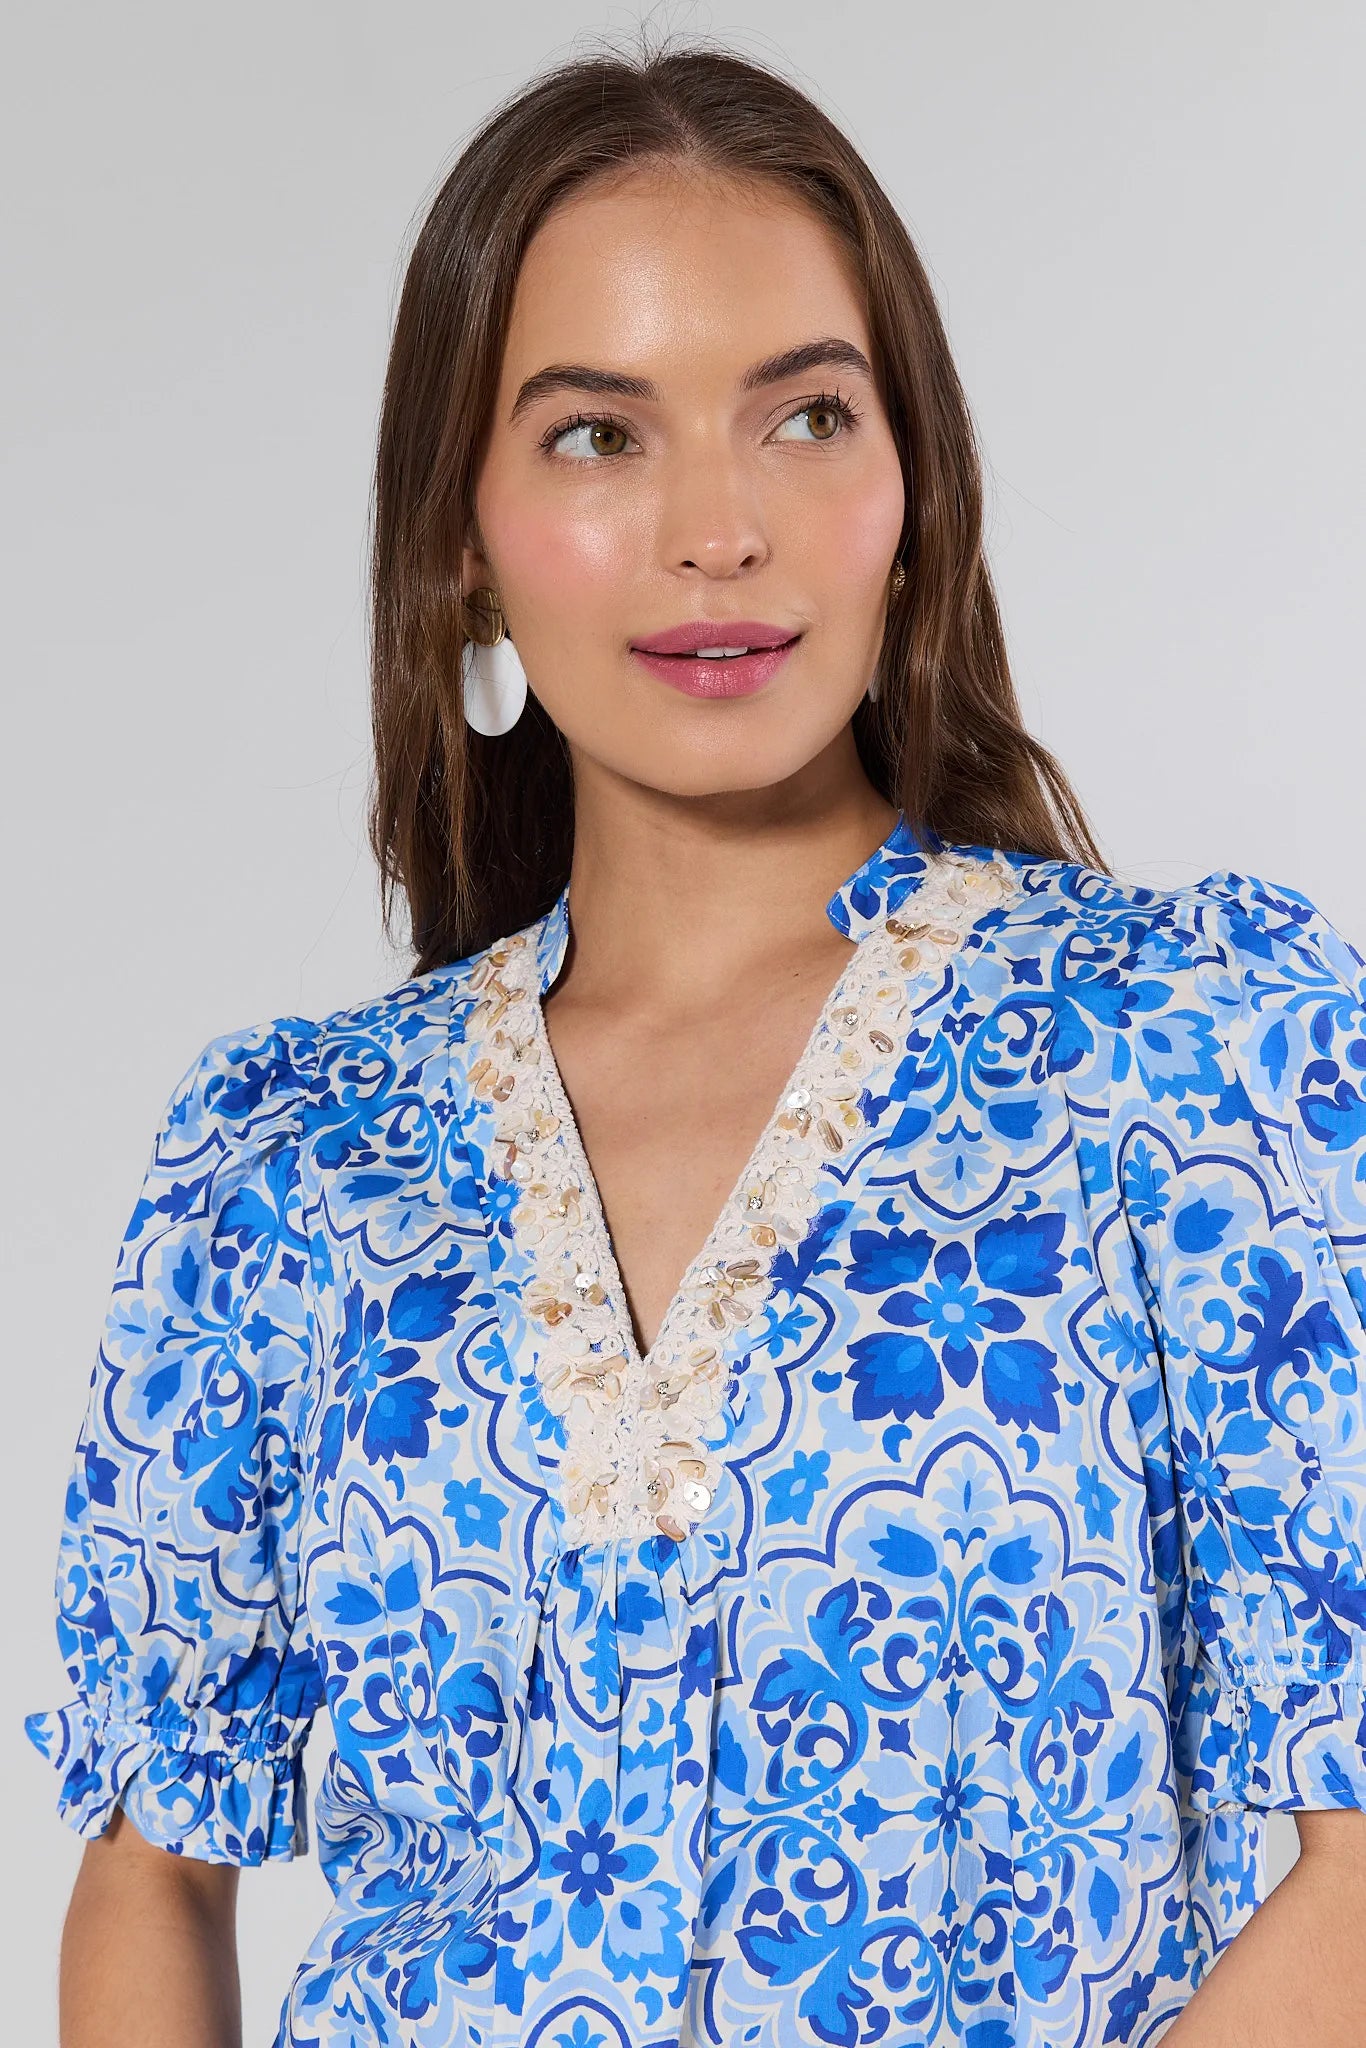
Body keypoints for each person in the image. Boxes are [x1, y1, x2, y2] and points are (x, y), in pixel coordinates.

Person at [24, 33, 1366, 2048]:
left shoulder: (1200, 1053)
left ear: (908, 490)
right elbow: (146, 1864)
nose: (714, 530)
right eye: (594, 435)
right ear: (454, 536)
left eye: (803, 416)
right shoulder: (287, 1157)